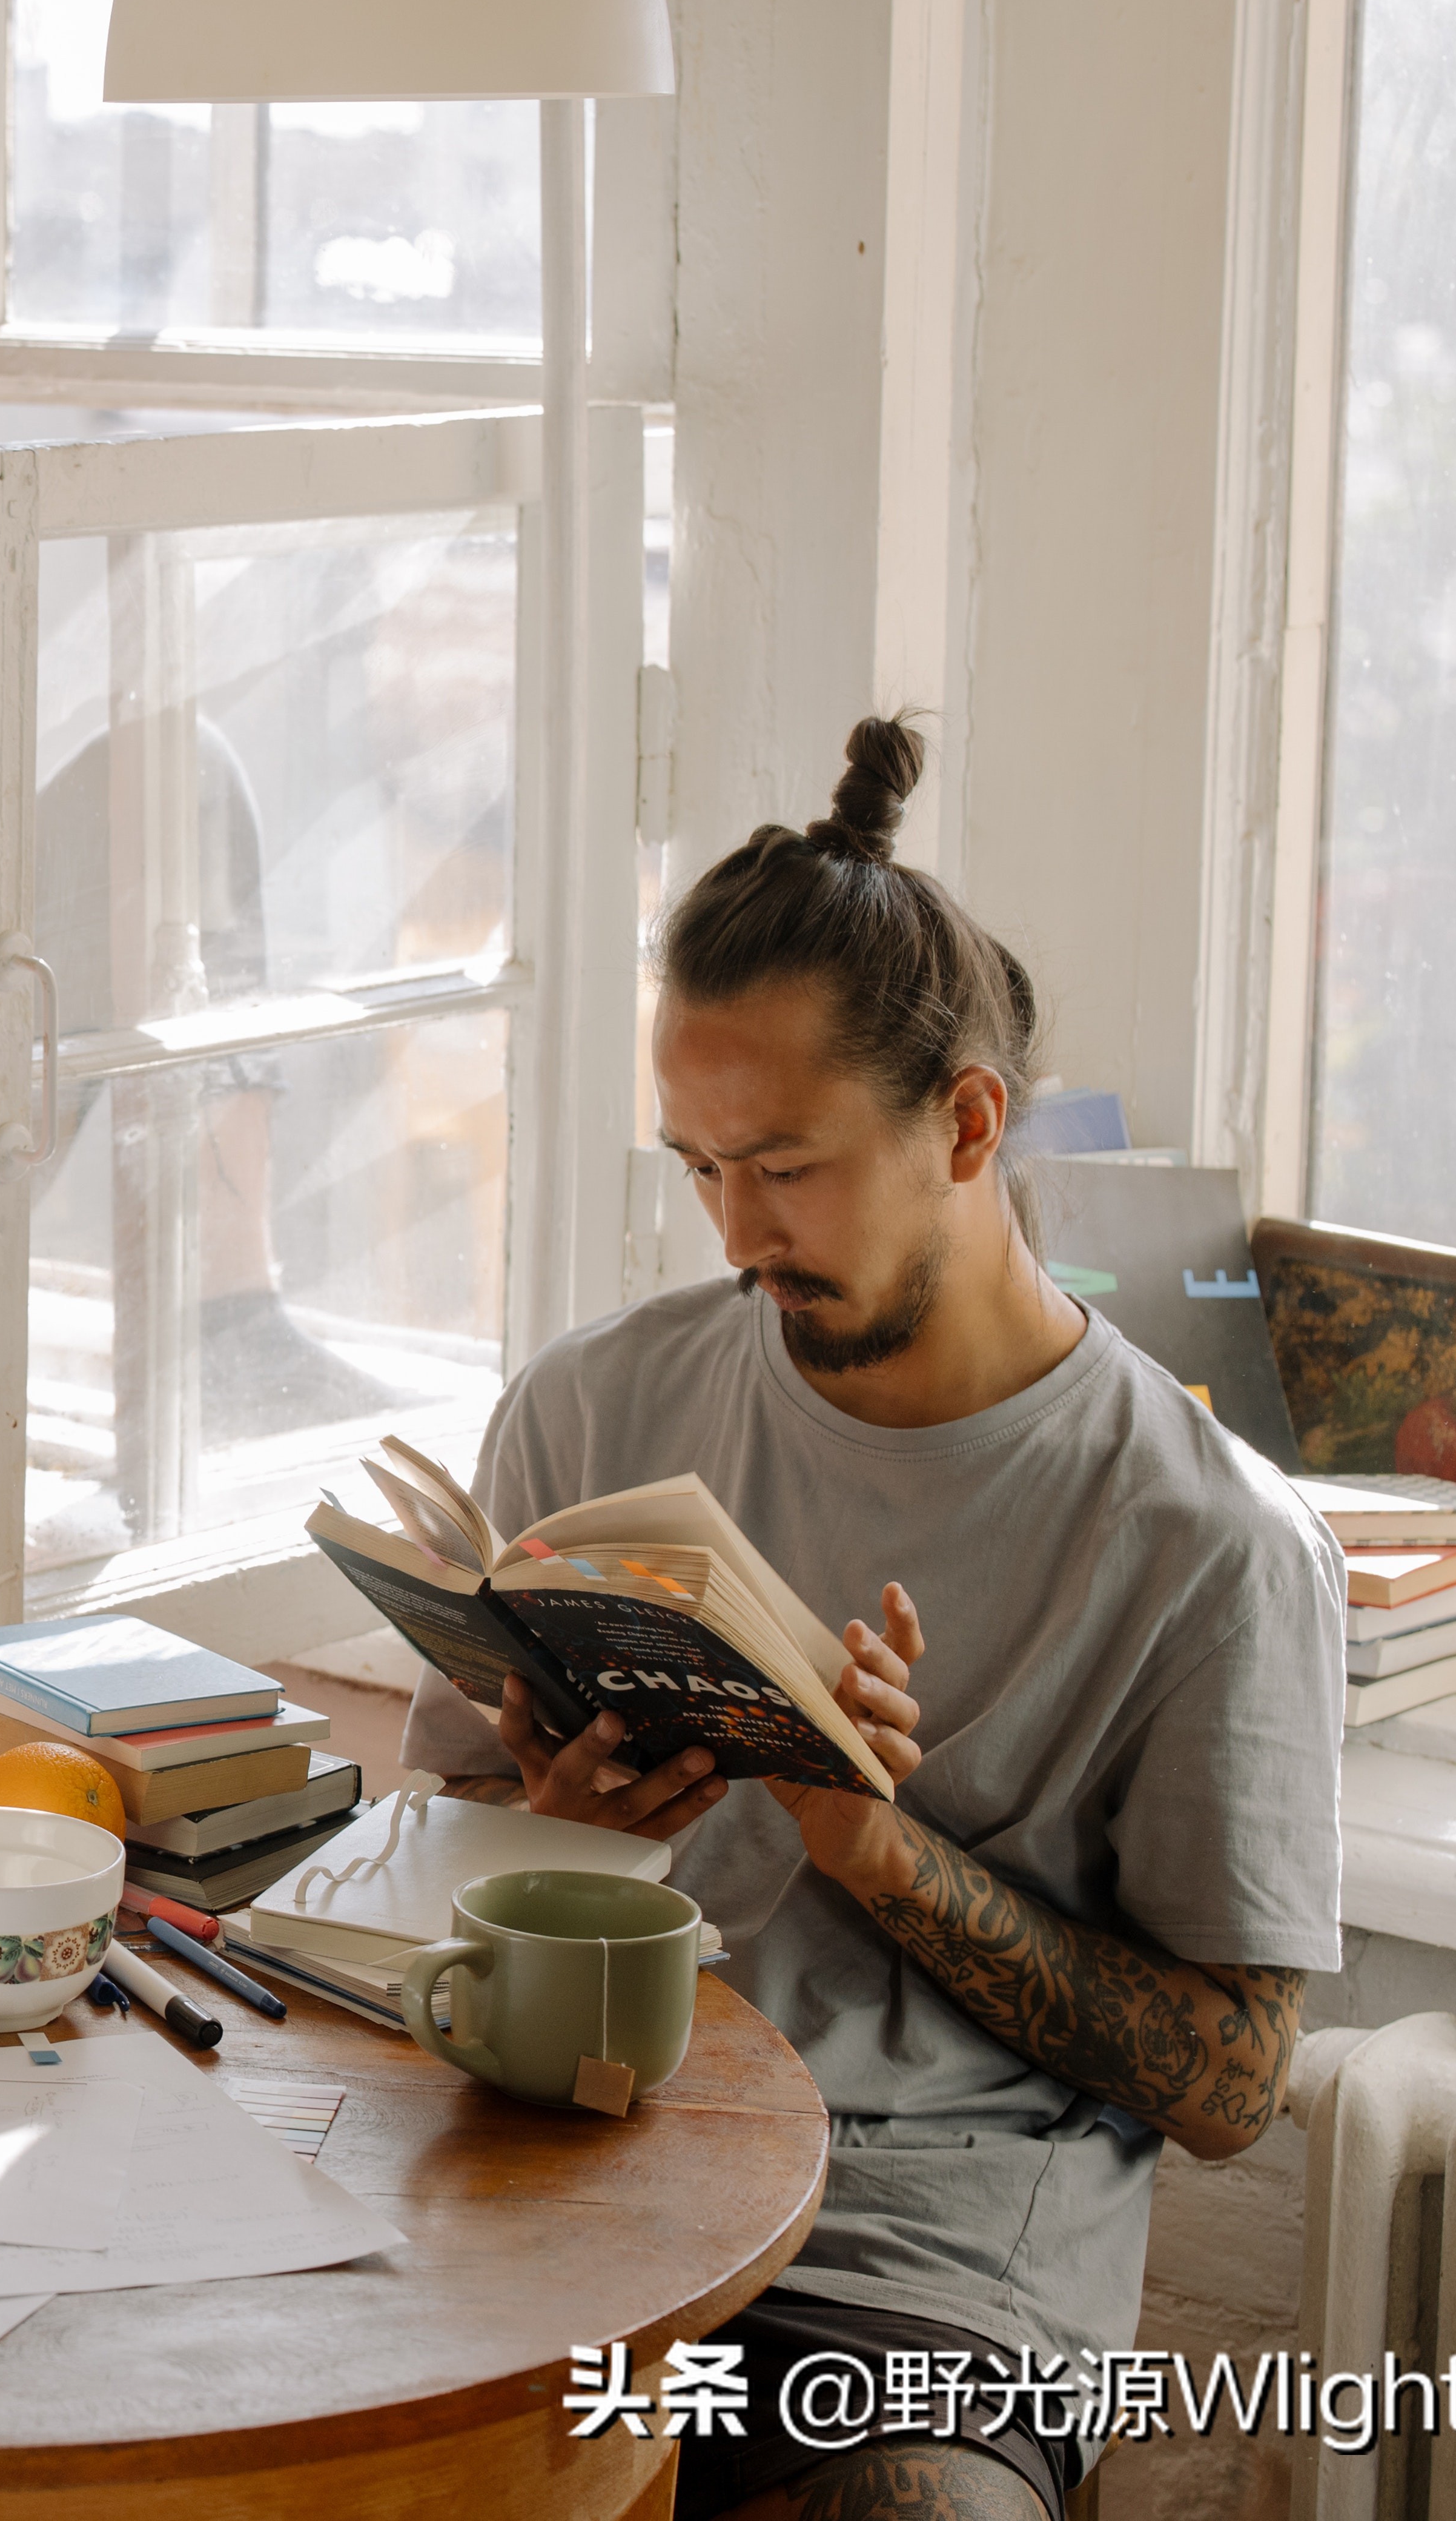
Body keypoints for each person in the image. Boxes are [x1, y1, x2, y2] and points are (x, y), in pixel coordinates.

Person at [397, 720, 1341, 2521]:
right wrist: (551, 1830)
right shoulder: (589, 1409)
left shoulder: (1208, 1542)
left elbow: (1228, 2083)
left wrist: (875, 1851)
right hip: (571, 2166)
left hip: (912, 2275)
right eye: (694, 1166)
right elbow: (427, 1868)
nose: (733, 1232)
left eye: (785, 1165)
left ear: (967, 1122)